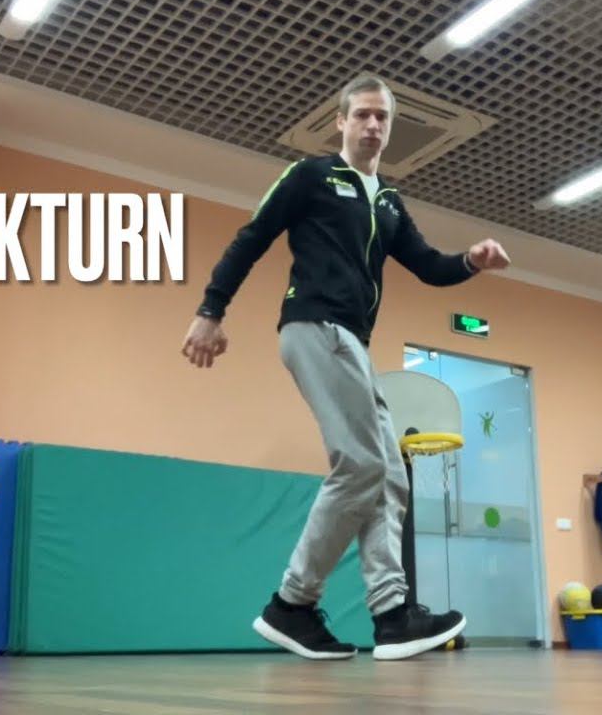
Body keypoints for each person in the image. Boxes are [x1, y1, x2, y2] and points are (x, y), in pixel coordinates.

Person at [181, 75, 510, 661]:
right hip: (316, 327)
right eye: (362, 115)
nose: (373, 125)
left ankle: (391, 615)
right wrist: (211, 311)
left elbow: (428, 266)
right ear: (340, 121)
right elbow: (252, 237)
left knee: (389, 473)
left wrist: (471, 260)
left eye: (382, 117)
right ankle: (292, 603)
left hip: (351, 342)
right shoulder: (310, 176)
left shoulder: (389, 202)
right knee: (361, 465)